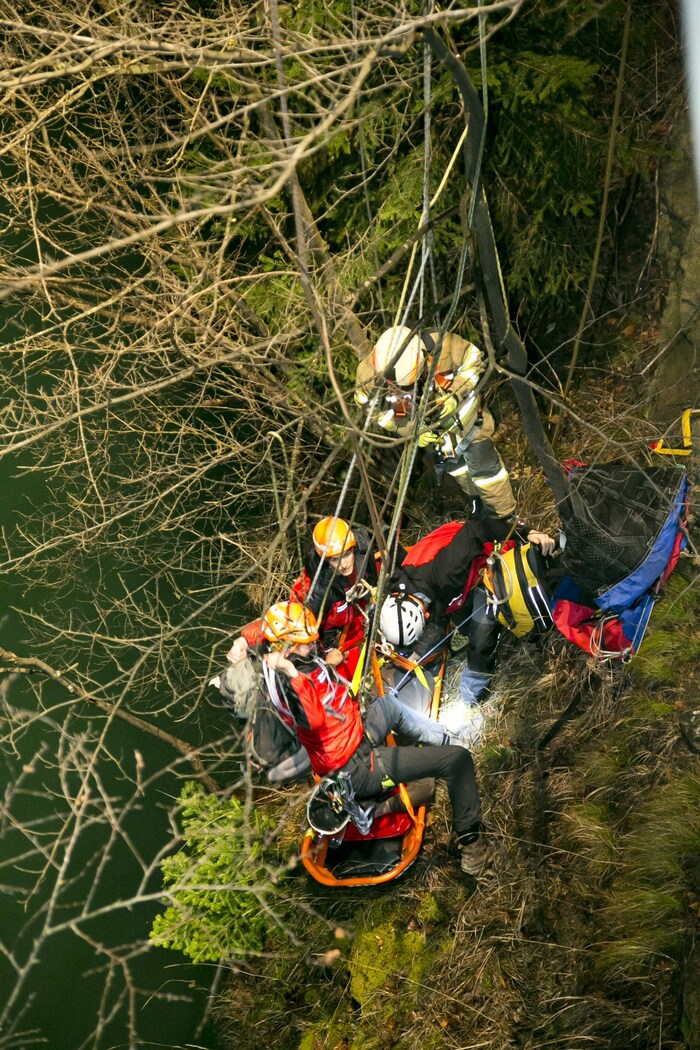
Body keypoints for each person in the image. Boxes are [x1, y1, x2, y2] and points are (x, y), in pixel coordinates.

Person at [256, 599, 492, 877]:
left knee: (388, 706)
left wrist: (245, 645)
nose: (313, 643)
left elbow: (265, 640)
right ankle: (473, 849)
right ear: (289, 648)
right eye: (306, 642)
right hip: (360, 767)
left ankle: (446, 738)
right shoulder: (292, 682)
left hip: (352, 742)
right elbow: (315, 719)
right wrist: (292, 672)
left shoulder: (289, 663)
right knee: (458, 761)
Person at [379, 515, 555, 710]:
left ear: (424, 615)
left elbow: (479, 528)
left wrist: (526, 533)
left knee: (481, 635)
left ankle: (474, 691)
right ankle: (473, 632)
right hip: (460, 579)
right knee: (463, 620)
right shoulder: (399, 587)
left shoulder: (447, 570)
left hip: (488, 558)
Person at [354, 325, 515, 520]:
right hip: (439, 440)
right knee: (460, 471)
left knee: (487, 474)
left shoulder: (443, 345)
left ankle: (507, 519)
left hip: (469, 425)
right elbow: (371, 410)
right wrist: (411, 429)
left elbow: (474, 358)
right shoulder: (368, 375)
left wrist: (455, 394)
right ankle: (480, 512)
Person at [291, 516, 382, 677]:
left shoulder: (362, 548)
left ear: (353, 549)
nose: (344, 564)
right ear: (325, 561)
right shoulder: (318, 591)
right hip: (332, 635)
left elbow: (374, 580)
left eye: (347, 555)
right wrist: (327, 660)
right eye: (335, 559)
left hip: (358, 613)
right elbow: (306, 632)